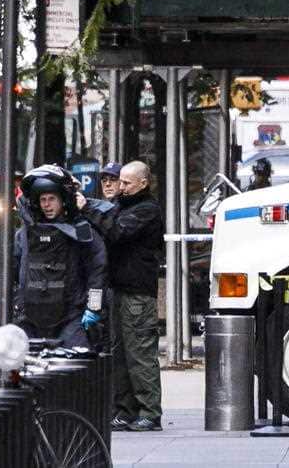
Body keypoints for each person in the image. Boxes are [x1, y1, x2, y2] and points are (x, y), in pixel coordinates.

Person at [76, 160, 164, 432]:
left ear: (143, 183)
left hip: (137, 294)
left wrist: (86, 207)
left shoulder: (147, 210)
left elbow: (117, 230)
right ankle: (125, 411)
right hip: (119, 290)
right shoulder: (124, 206)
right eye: (119, 181)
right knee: (120, 356)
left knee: (139, 355)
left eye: (126, 182)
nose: (119, 186)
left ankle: (150, 412)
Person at [10, 164, 108, 349]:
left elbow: (98, 271)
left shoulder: (81, 232)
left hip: (70, 318)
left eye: (51, 199)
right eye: (43, 199)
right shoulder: (24, 235)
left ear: (63, 200)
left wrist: (94, 307)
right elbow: (7, 270)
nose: (46, 204)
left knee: (76, 370)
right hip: (30, 318)